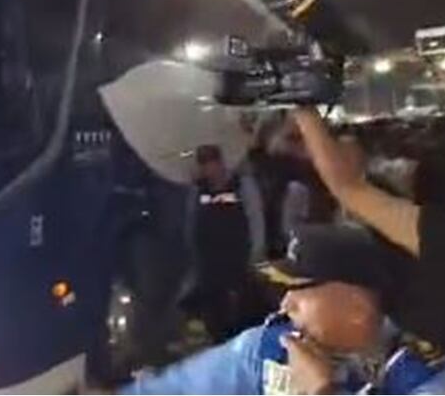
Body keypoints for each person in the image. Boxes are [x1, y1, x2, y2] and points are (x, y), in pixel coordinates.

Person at [121, 224, 445, 394]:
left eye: (301, 292)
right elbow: (176, 389)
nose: (286, 304)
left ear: (356, 308)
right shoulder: (270, 348)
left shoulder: (426, 371)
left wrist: (321, 390)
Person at [292, 107, 445, 350]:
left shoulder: (417, 316)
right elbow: (348, 188)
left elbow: (348, 188)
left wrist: (304, 109)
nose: (288, 304)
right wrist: (304, 110)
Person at [182, 145, 266, 342]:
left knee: (244, 300)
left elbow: (255, 216)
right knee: (212, 302)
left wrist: (257, 248)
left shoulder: (241, 185)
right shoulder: (198, 189)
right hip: (208, 256)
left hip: (237, 252)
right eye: (204, 164)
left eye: (211, 162)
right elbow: (191, 220)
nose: (209, 169)